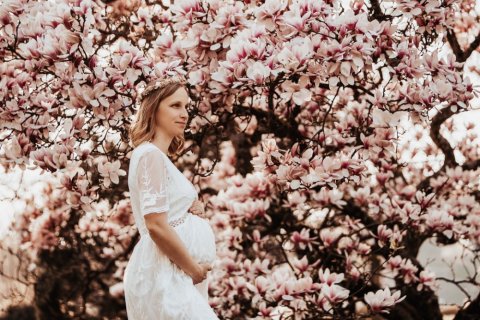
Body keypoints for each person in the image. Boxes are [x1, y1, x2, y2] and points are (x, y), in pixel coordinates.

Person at [123, 75, 219, 319]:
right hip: (166, 272)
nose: (185, 113)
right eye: (175, 105)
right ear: (154, 110)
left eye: (186, 106)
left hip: (173, 272)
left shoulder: (156, 157)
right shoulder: (149, 155)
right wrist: (194, 270)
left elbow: (166, 214)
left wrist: (191, 209)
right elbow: (156, 226)